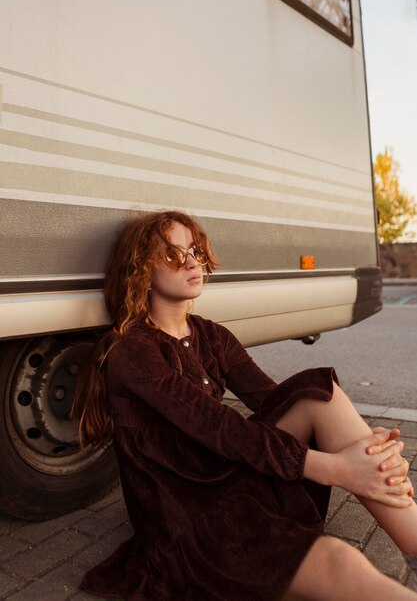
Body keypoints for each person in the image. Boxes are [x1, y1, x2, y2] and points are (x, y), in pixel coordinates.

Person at [72, 209, 417, 601]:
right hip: (188, 510)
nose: (190, 262)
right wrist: (338, 469)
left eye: (195, 251)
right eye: (171, 255)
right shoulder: (133, 351)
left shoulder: (211, 335)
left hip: (224, 474)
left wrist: (362, 450)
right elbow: (219, 427)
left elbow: (276, 402)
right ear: (139, 269)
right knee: (341, 561)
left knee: (320, 393)